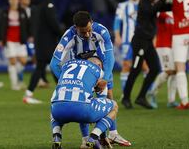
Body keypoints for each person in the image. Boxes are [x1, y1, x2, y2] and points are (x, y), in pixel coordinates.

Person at [48, 11, 131, 147]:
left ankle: (112, 134)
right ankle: (87, 138)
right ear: (75, 28)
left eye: (88, 30)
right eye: (82, 32)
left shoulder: (101, 31)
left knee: (109, 94)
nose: (86, 34)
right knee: (83, 98)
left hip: (99, 68)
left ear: (91, 22)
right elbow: (54, 63)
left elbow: (109, 56)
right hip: (82, 71)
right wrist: (66, 80)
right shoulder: (69, 35)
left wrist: (105, 78)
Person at [121, 0, 172, 109]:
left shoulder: (150, 0)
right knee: (135, 69)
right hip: (140, 41)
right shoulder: (143, 0)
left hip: (147, 41)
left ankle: (141, 97)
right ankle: (126, 98)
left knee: (155, 69)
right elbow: (151, 11)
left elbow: (163, 7)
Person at [50, 57, 118, 149]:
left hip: (57, 111)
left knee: (55, 104)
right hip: (82, 109)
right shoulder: (99, 71)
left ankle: (56, 136)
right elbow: (102, 99)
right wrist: (103, 135)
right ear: (98, 65)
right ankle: (93, 138)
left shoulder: (66, 66)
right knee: (114, 106)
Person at [23, 0, 63, 103]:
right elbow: (53, 25)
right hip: (48, 42)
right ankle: (63, 95)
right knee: (55, 66)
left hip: (39, 42)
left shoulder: (35, 6)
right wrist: (63, 34)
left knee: (41, 67)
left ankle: (28, 94)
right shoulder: (48, 5)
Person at [113, 0, 149, 90]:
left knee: (145, 66)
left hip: (143, 40)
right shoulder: (122, 6)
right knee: (126, 65)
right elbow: (117, 21)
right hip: (127, 41)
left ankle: (147, 93)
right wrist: (117, 35)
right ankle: (125, 94)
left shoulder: (146, 5)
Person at [0, 0, 31, 90]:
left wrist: (29, 35)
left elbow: (27, 25)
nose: (13, 1)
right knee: (12, 61)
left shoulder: (22, 11)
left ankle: (18, 79)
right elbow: (0, 26)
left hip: (20, 40)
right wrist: (0, 39)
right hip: (9, 40)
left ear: (18, 0)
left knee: (23, 61)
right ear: (9, 0)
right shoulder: (5, 12)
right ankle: (14, 84)